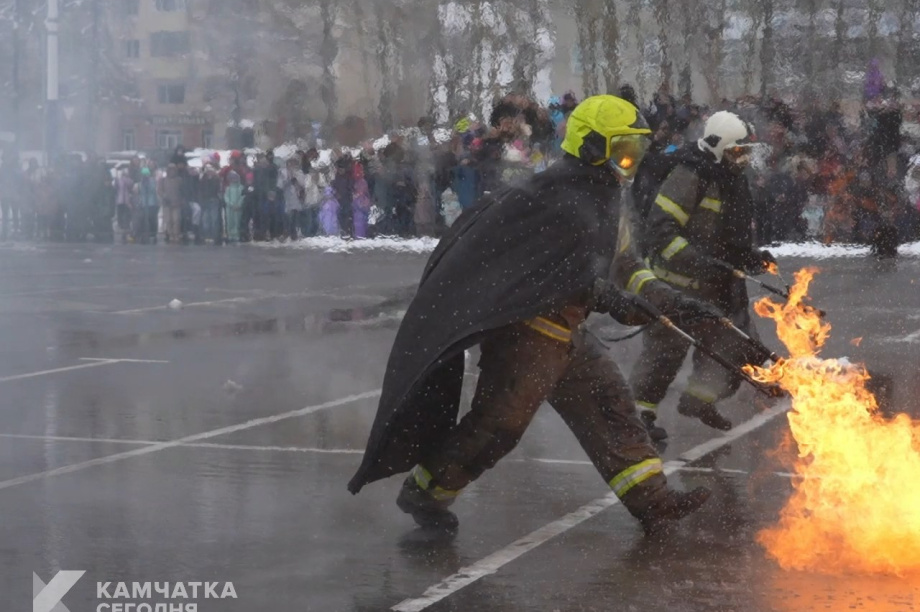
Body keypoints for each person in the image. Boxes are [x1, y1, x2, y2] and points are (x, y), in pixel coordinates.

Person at [348, 95, 719, 536]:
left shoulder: (607, 197)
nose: (631, 159)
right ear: (592, 145)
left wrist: (668, 300)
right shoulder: (554, 194)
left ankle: (653, 502)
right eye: (623, 147)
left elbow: (623, 265)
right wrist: (609, 299)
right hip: (528, 334)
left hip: (569, 333)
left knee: (612, 409)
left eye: (636, 148)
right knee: (498, 427)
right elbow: (550, 269)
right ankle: (424, 493)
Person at [629, 111, 775, 441]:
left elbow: (728, 240)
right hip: (675, 287)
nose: (744, 158)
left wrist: (751, 258)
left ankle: (698, 400)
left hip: (717, 288)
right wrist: (699, 262)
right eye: (738, 151)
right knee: (663, 356)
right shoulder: (689, 175)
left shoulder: (730, 179)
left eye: (746, 151)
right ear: (717, 147)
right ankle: (638, 418)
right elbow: (661, 232)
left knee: (736, 348)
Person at [279, 158, 305, 241]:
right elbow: (280, 185)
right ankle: (287, 232)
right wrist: (288, 180)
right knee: (287, 216)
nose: (291, 166)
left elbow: (303, 185)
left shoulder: (299, 173)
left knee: (294, 216)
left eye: (293, 164)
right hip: (286, 198)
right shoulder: (282, 173)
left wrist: (296, 180)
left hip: (296, 199)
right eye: (289, 164)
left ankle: (294, 234)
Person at [223, 170, 244, 243]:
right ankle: (230, 235)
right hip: (229, 208)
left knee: (237, 221)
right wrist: (231, 204)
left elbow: (242, 197)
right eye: (232, 178)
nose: (233, 179)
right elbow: (226, 197)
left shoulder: (241, 188)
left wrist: (239, 204)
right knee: (230, 222)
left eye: (235, 178)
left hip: (238, 208)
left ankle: (237, 235)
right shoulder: (228, 188)